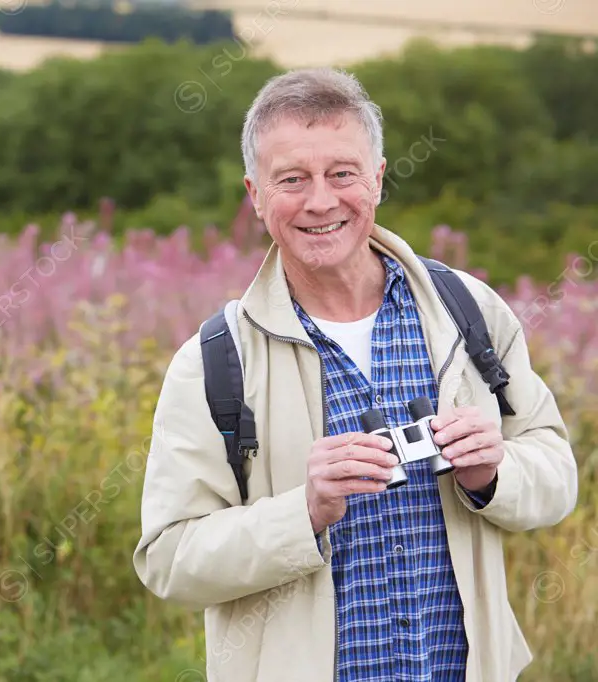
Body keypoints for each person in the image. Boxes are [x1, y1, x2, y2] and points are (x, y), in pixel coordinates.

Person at [131, 67, 578, 682]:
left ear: (377, 179)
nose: (321, 200)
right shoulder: (214, 360)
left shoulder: (468, 311)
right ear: (255, 196)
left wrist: (493, 473)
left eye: (342, 174)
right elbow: (169, 561)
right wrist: (304, 512)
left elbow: (556, 473)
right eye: (292, 180)